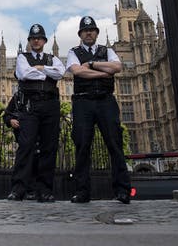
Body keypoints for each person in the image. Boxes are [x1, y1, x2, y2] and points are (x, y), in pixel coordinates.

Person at [66, 16, 132, 204]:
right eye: (85, 30)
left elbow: (117, 66)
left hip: (105, 101)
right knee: (82, 146)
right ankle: (82, 191)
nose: (89, 32)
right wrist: (104, 72)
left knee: (115, 144)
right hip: (82, 102)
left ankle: (122, 190)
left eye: (92, 30)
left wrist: (93, 65)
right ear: (80, 34)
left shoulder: (108, 50)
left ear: (96, 33)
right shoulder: (73, 52)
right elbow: (78, 71)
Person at [7, 24, 65, 202]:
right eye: (33, 38)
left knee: (49, 148)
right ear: (29, 41)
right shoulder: (22, 58)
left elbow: (60, 73)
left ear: (45, 41)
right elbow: (24, 74)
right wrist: (46, 72)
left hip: (50, 106)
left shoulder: (53, 58)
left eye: (39, 38)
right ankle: (18, 189)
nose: (36, 40)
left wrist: (39, 69)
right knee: (25, 147)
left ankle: (45, 191)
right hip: (30, 107)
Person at [3, 92, 39, 200]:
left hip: (38, 137)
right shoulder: (18, 97)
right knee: (24, 161)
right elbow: (6, 115)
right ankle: (19, 190)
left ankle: (34, 190)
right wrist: (10, 120)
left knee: (37, 161)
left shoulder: (43, 97)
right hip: (24, 137)